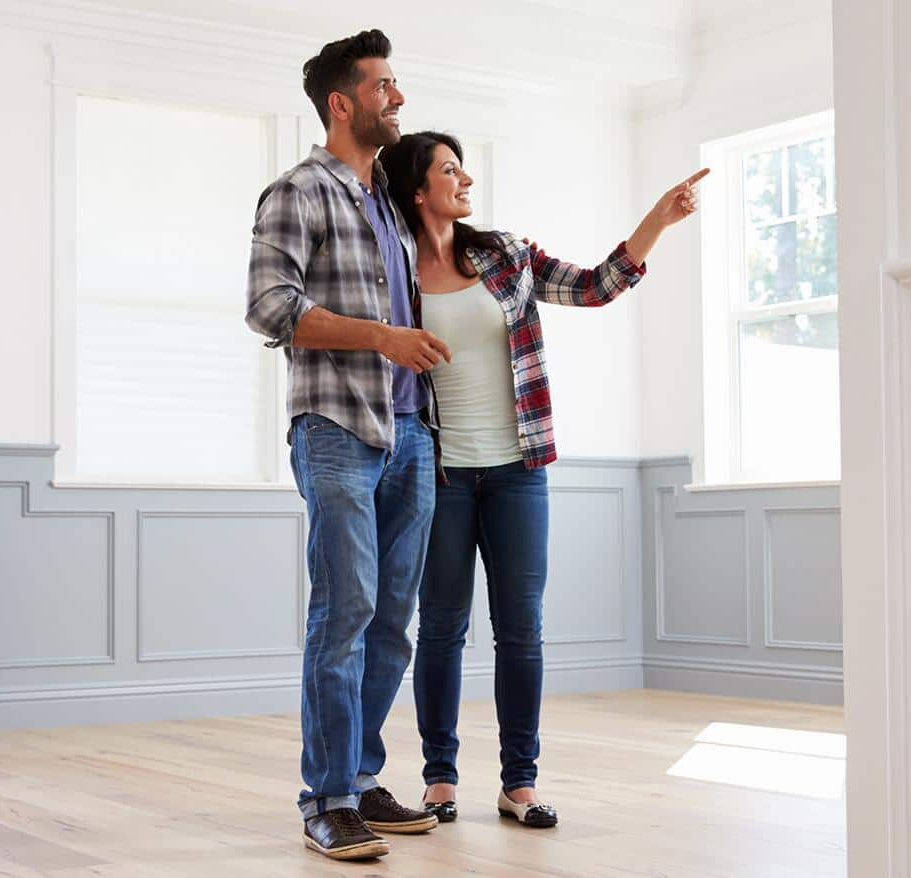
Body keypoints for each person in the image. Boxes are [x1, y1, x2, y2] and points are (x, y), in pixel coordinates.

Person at [378, 131, 707, 828]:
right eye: (449, 170)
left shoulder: (504, 255)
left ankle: (518, 783)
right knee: (439, 628)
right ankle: (440, 779)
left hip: (517, 470)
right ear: (417, 190)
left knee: (520, 631)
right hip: (436, 473)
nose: (464, 179)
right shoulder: (392, 271)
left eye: (463, 167)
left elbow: (593, 288)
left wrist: (656, 222)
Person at [245, 31, 453, 862]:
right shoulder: (298, 192)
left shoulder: (390, 209)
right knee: (346, 614)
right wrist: (381, 338)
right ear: (343, 101)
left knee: (393, 624)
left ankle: (362, 779)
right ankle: (325, 798)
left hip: (411, 434)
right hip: (337, 429)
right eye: (385, 86)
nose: (397, 98)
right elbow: (269, 307)